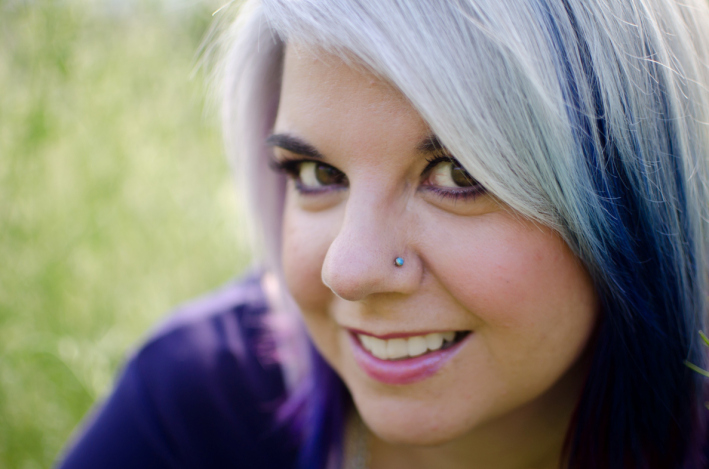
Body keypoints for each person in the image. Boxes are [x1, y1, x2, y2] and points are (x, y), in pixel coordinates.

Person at [56, 0, 709, 468]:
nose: (349, 270)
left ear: (636, 192)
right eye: (318, 174)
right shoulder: (195, 408)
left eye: (458, 174)